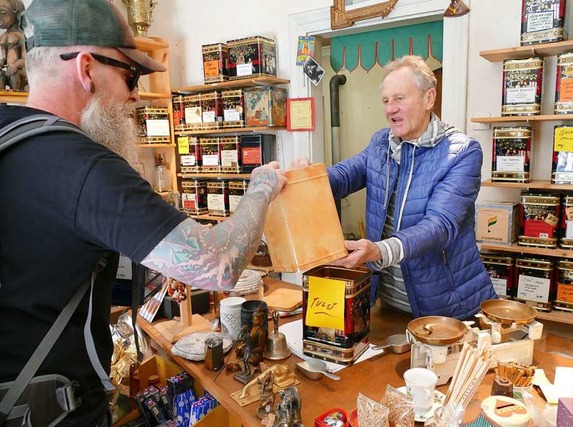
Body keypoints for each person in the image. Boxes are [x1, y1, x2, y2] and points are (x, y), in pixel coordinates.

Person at [0, 1, 286, 426]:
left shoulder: (10, 134)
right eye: (129, 75)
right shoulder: (83, 167)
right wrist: (261, 187)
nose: (135, 94)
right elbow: (220, 264)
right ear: (85, 68)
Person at [294, 55, 496, 319]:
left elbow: (440, 226)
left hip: (448, 307)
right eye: (386, 101)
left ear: (428, 98)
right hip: (389, 302)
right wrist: (308, 179)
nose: (390, 109)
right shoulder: (381, 143)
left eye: (399, 98)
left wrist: (379, 250)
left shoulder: (461, 151)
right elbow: (343, 176)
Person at [0, 0, 27, 91]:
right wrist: (1, 62)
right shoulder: (2, 37)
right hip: (9, 71)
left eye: (3, 13)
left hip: (19, 72)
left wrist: (16, 65)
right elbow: (4, 58)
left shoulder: (21, 36)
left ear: (17, 13)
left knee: (14, 75)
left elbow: (26, 59)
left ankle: (17, 91)